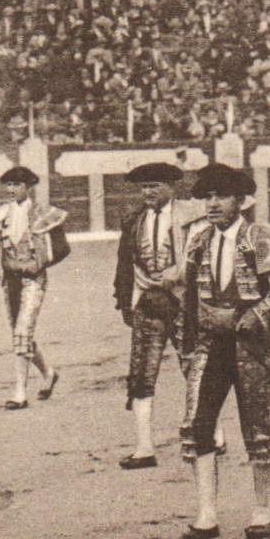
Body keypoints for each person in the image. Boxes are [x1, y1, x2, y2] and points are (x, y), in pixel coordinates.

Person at [177, 164, 270, 539]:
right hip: (209, 345)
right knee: (198, 425)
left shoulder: (260, 237)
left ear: (240, 200)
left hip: (251, 346)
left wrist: (259, 314)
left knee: (255, 427)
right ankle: (207, 515)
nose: (212, 203)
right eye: (207, 197)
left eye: (221, 196)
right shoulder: (198, 240)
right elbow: (189, 299)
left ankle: (262, 511)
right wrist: (186, 346)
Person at [111, 161, 205, 469]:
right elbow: (124, 263)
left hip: (184, 303)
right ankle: (144, 448)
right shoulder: (134, 219)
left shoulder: (192, 217)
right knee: (141, 375)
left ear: (171, 187)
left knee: (195, 368)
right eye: (143, 187)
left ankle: (213, 436)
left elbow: (200, 258)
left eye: (154, 186)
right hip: (147, 303)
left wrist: (179, 274)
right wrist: (125, 302)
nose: (147, 192)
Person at [0, 165, 66, 408]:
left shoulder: (42, 213)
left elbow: (60, 248)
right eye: (8, 184)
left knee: (22, 332)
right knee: (20, 334)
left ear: (28, 187)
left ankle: (19, 392)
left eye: (16, 184)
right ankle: (49, 373)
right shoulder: (0, 215)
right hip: (10, 282)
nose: (11, 189)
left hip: (33, 280)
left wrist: (39, 263)